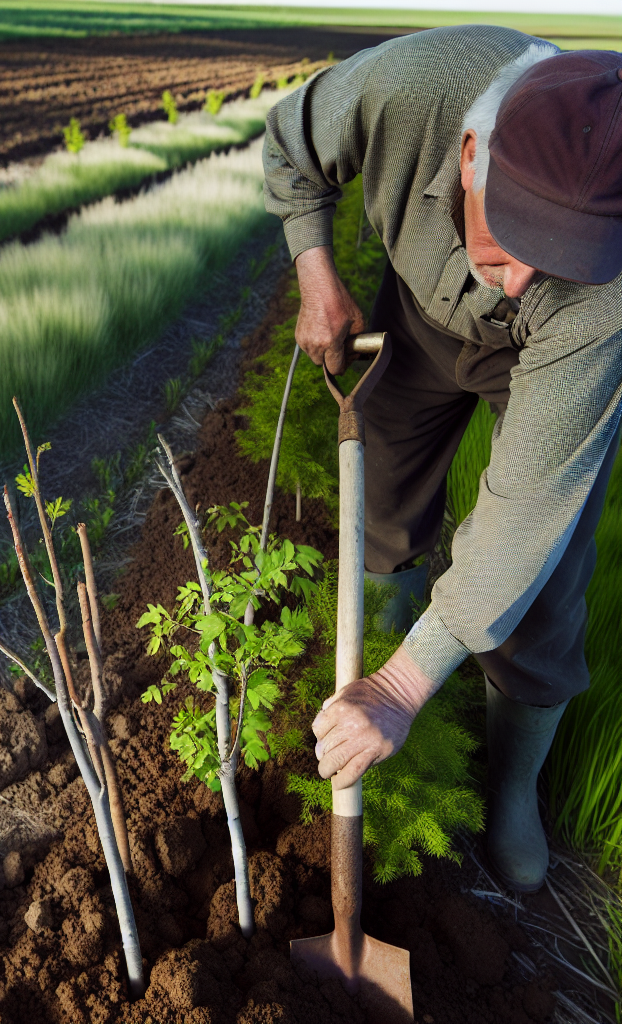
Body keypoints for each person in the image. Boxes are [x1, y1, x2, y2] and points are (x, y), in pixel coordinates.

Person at [262, 26, 622, 892]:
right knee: (382, 512)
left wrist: (402, 688)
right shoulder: (412, 88)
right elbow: (291, 141)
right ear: (470, 158)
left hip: (552, 360)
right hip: (417, 318)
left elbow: (528, 505)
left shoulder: (602, 291)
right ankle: (382, 660)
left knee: (544, 581)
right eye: (505, 246)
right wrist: (318, 275)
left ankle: (511, 791)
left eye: (557, 260)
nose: (518, 285)